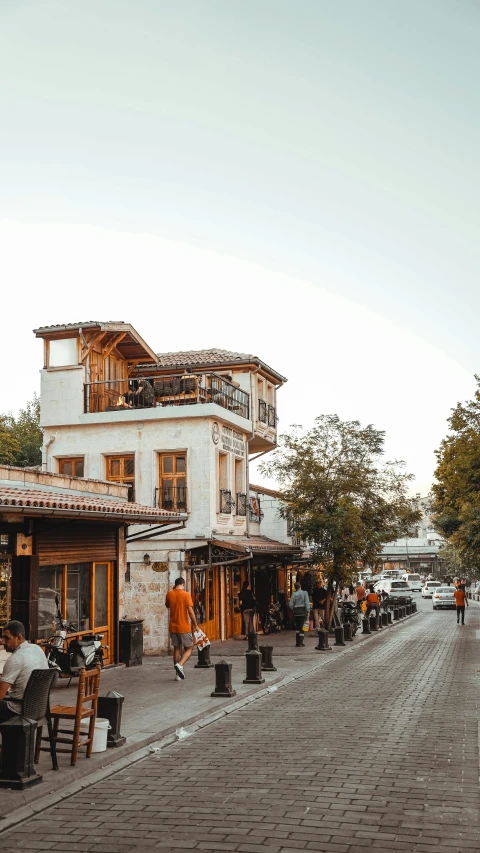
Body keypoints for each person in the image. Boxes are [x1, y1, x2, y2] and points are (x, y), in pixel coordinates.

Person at [0, 620, 49, 723]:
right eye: (2, 637)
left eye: (6, 638)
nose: (2, 641)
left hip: (19, 710)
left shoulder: (15, 659)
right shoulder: (37, 648)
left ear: (19, 638)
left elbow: (1, 694)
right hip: (39, 708)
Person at [165, 577, 199, 680]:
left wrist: (172, 591)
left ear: (175, 585)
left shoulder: (169, 594)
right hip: (184, 626)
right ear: (183, 584)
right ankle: (180, 665)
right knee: (189, 648)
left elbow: (167, 605)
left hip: (173, 626)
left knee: (176, 649)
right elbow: (191, 612)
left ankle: (177, 675)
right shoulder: (186, 595)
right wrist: (195, 625)